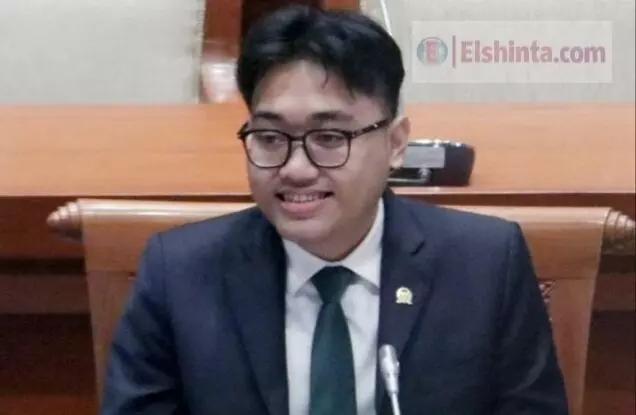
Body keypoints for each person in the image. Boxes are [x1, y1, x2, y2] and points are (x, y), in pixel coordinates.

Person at [101, 5, 568, 415]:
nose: (296, 169)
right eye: (270, 137)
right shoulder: (179, 274)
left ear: (395, 143)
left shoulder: (486, 265)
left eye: (329, 138)